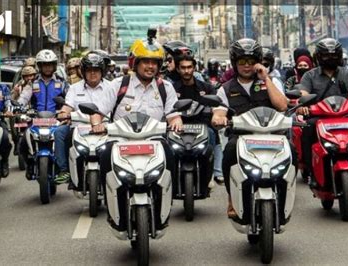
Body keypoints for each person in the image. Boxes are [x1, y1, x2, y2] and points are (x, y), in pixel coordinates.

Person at [211, 38, 288, 218]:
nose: (247, 66)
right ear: (234, 63)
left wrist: (266, 79)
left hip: (271, 135)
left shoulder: (270, 81)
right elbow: (219, 113)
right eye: (242, 62)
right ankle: (232, 198)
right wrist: (218, 119)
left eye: (251, 62)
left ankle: (284, 196)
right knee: (229, 150)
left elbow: (283, 106)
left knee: (291, 151)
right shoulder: (225, 88)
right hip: (241, 137)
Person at [89, 37, 183, 181]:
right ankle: (109, 199)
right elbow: (97, 112)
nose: (150, 66)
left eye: (154, 63)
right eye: (146, 61)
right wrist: (96, 125)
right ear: (135, 63)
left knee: (171, 156)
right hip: (120, 140)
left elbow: (173, 116)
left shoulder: (166, 87)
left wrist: (177, 122)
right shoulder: (118, 85)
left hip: (155, 140)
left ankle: (166, 199)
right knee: (105, 156)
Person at [297, 38, 348, 187]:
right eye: (326, 55)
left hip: (344, 116)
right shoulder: (310, 75)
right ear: (318, 57)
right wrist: (302, 104)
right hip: (318, 117)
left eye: (334, 55)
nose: (330, 59)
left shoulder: (347, 73)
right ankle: (311, 173)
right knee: (307, 129)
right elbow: (302, 94)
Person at [53, 53, 112, 185]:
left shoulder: (112, 87)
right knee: (59, 132)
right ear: (83, 72)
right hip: (78, 126)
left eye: (96, 70)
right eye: (89, 70)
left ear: (102, 71)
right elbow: (67, 106)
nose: (92, 73)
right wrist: (63, 113)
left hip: (105, 126)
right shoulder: (74, 88)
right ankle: (64, 170)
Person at [17, 49, 68, 179]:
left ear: (54, 65)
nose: (47, 67)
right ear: (39, 66)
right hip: (36, 119)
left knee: (67, 140)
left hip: (56, 119)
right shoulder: (32, 83)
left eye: (50, 64)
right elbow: (23, 98)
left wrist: (68, 109)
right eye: (44, 65)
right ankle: (29, 164)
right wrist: (17, 106)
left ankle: (64, 169)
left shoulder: (62, 83)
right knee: (23, 141)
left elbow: (71, 100)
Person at [173, 54, 223, 185]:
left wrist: (216, 114)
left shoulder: (206, 88)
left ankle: (214, 172)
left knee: (213, 133)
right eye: (183, 68)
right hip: (178, 127)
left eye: (189, 67)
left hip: (203, 126)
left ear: (194, 68)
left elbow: (217, 106)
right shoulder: (172, 89)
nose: (186, 71)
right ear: (178, 69)